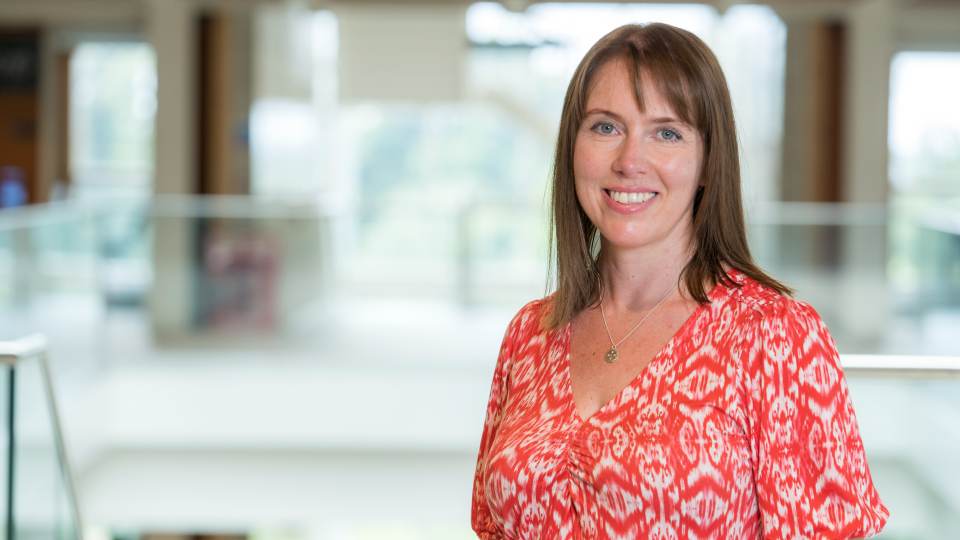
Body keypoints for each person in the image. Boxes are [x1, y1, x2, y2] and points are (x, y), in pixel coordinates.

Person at [471, 23, 888, 539]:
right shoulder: (528, 335)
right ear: (572, 147)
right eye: (605, 127)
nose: (629, 161)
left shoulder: (776, 338)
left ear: (709, 162)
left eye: (666, 133)